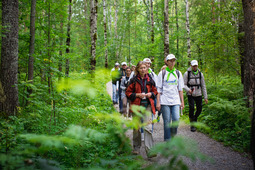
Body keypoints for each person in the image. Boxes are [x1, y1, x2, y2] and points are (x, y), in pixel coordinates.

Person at [126, 61, 158, 156]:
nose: (143, 69)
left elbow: (155, 91)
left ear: (147, 69)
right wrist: (137, 95)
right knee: (137, 128)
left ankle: (150, 150)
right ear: (137, 69)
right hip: (136, 107)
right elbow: (128, 93)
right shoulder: (134, 80)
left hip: (147, 106)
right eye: (141, 68)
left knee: (148, 128)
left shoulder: (150, 79)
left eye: (144, 67)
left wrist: (150, 94)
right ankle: (136, 148)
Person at [156, 54, 184, 141]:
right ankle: (168, 140)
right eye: (170, 61)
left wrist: (182, 102)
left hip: (175, 100)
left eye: (173, 60)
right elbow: (159, 89)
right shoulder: (162, 73)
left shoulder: (178, 73)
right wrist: (158, 102)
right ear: (167, 62)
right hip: (165, 100)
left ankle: (172, 135)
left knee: (176, 119)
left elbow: (180, 89)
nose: (172, 62)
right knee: (167, 121)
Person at [183, 60, 208, 132]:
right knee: (191, 108)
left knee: (199, 109)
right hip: (190, 94)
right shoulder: (186, 74)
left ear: (197, 66)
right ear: (191, 65)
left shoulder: (200, 74)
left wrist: (205, 97)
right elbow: (184, 85)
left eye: (196, 66)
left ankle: (195, 118)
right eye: (193, 66)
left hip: (199, 93)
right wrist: (188, 90)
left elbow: (203, 86)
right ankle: (192, 124)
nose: (194, 67)